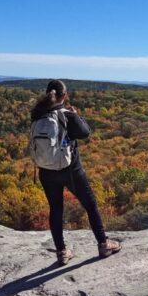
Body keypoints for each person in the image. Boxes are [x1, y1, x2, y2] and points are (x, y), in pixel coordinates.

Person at [29, 79, 121, 264]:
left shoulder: (37, 115)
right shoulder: (67, 116)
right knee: (90, 204)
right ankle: (103, 244)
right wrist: (76, 116)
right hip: (71, 170)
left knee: (56, 210)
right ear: (64, 96)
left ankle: (62, 252)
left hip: (46, 171)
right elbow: (85, 132)